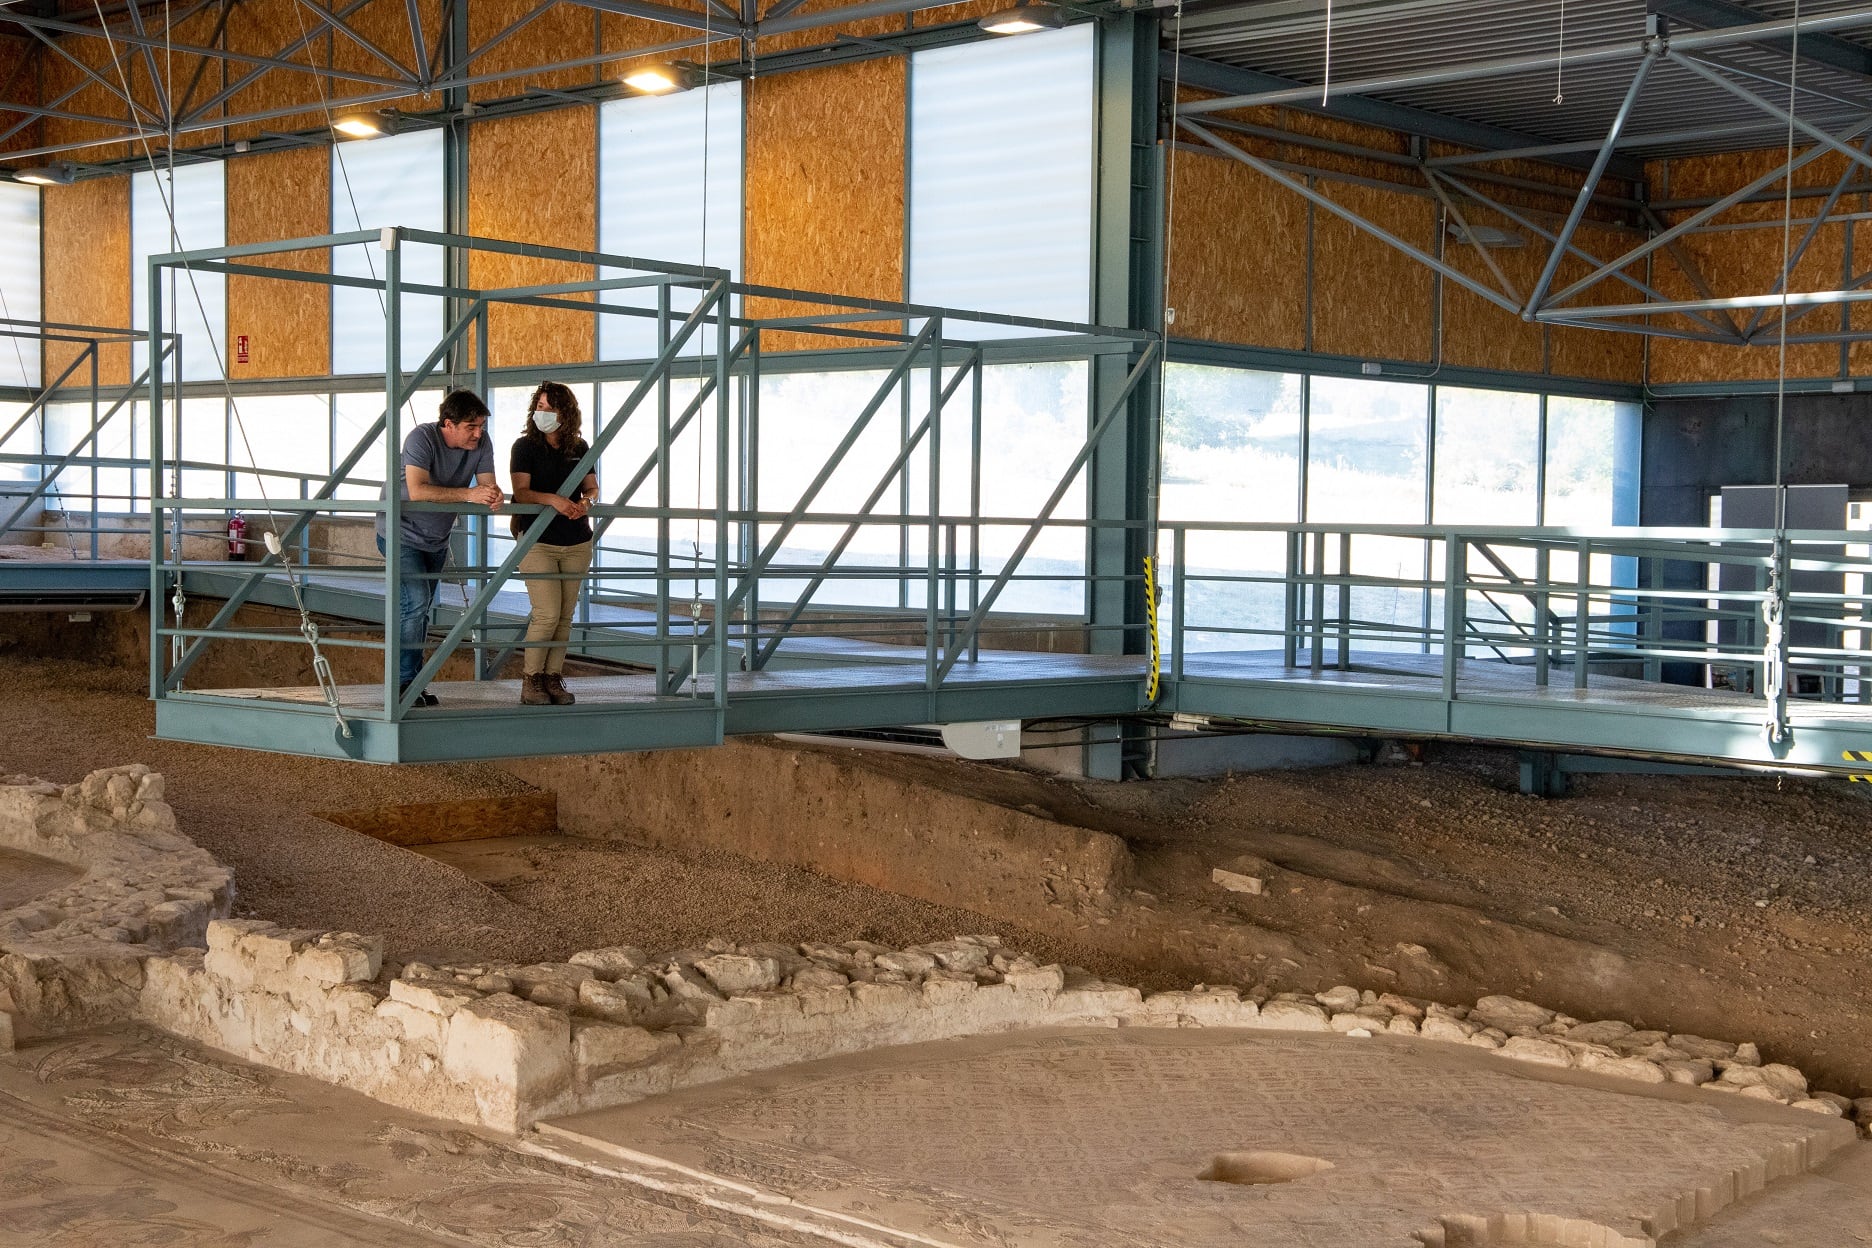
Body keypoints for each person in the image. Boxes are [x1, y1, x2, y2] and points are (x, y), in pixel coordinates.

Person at [376, 390, 503, 707]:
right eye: (471, 427)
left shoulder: (481, 444)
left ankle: (413, 683)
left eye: (481, 426)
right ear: (449, 424)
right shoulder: (421, 438)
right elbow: (417, 491)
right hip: (399, 534)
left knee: (421, 609)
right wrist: (470, 495)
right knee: (416, 602)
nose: (478, 433)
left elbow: (486, 486)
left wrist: (493, 495)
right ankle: (403, 685)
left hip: (435, 540)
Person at [510, 381, 598, 706]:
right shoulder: (525, 447)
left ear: (566, 412)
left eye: (549, 407)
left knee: (564, 615)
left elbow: (592, 488)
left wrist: (585, 504)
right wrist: (556, 501)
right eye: (540, 406)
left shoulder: (580, 446)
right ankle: (531, 679)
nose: (542, 412)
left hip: (576, 540)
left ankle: (552, 677)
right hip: (537, 540)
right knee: (546, 612)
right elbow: (522, 493)